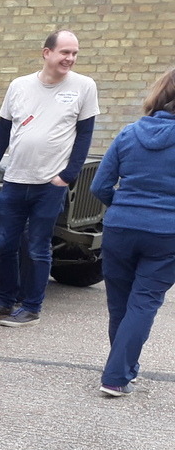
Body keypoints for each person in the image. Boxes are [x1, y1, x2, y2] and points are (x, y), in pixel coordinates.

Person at [0, 31, 99, 327]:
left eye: (75, 53)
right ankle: (4, 302)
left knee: (37, 247)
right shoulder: (19, 86)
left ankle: (31, 308)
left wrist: (68, 175)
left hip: (49, 184)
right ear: (46, 53)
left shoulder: (84, 87)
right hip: (15, 180)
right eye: (64, 52)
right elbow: (2, 133)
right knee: (5, 245)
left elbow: (85, 136)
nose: (70, 58)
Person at [89, 67, 175, 397]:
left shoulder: (129, 133)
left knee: (120, 305)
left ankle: (124, 368)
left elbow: (100, 185)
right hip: (165, 232)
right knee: (143, 305)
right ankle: (116, 376)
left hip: (120, 228)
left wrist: (123, 205)